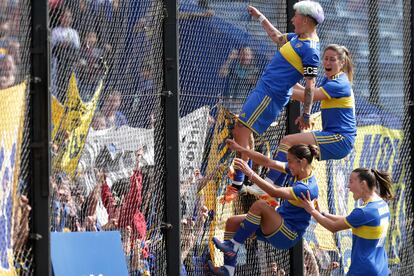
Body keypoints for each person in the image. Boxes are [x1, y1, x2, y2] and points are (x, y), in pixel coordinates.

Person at [229, 2, 324, 193]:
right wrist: (260, 16)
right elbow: (278, 37)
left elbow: (310, 85)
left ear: (305, 20)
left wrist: (306, 114)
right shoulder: (298, 38)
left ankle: (238, 182)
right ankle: (242, 179)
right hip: (264, 90)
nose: (292, 19)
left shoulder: (311, 50)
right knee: (244, 132)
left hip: (270, 95)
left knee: (241, 129)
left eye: (295, 16)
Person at [208, 144, 320, 276]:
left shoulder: (306, 188)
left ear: (302, 162)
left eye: (290, 161)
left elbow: (274, 191)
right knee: (232, 222)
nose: (288, 164)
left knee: (260, 205)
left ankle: (233, 246)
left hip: (288, 234)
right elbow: (268, 162)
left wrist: (250, 173)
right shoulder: (298, 170)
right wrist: (242, 149)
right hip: (280, 221)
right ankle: (228, 270)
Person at [264, 44, 356, 188]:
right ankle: (276, 190)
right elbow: (308, 91)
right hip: (332, 135)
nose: (327, 63)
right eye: (325, 59)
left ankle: (268, 184)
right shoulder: (331, 79)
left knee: (288, 140)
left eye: (332, 60)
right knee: (295, 153)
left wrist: (279, 85)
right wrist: (287, 81)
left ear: (342, 63)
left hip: (340, 139)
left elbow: (307, 97)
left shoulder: (339, 83)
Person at [299, 168, 393, 276]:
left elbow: (333, 227)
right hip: (381, 269)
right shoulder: (381, 204)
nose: (348, 186)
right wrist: (322, 214)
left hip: (363, 271)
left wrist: (311, 210)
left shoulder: (364, 211)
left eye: (351, 182)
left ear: (363, 184)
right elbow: (349, 219)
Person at [219, 47, 259, 113]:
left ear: (251, 57)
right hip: (228, 103)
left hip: (241, 106)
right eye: (243, 54)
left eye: (247, 55)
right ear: (239, 55)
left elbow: (253, 82)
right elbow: (222, 74)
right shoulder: (234, 67)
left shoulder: (254, 70)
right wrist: (230, 59)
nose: (245, 57)